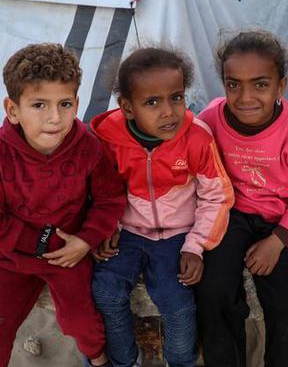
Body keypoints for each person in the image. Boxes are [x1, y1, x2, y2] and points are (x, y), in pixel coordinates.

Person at [0, 43, 126, 367]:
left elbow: (110, 198)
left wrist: (87, 239)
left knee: (81, 322)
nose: (55, 118)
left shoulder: (88, 147)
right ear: (13, 110)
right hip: (16, 258)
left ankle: (98, 360)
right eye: (39, 105)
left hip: (68, 255)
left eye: (65, 104)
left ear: (76, 103)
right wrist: (38, 243)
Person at [90, 47, 234, 367]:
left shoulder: (197, 138)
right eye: (152, 102)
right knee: (106, 291)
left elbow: (217, 196)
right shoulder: (108, 138)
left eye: (176, 97)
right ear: (128, 108)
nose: (169, 112)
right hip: (127, 232)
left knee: (177, 302)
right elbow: (99, 190)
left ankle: (180, 361)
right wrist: (105, 228)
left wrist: (195, 246)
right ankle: (123, 360)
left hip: (177, 236)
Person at [195, 30, 288, 367]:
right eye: (234, 84)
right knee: (213, 290)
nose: (246, 97)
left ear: (280, 86)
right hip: (230, 214)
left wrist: (277, 241)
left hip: (283, 217)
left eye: (260, 84)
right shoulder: (210, 120)